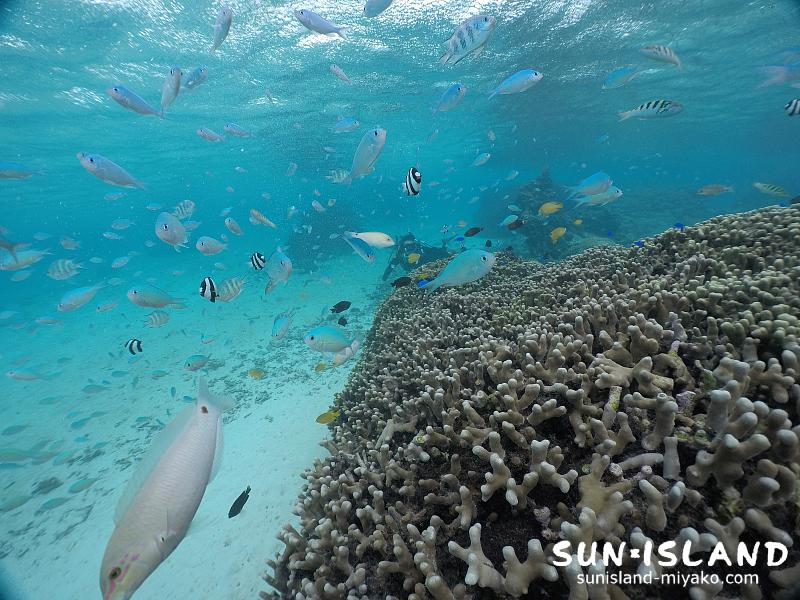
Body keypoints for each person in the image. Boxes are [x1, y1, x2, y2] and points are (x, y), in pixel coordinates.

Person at [381, 232, 451, 280]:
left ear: (415, 244)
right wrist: (385, 277)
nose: (409, 248)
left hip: (429, 269)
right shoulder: (400, 256)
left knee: (437, 254)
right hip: (417, 274)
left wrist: (448, 254)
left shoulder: (421, 250)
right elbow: (391, 266)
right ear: (402, 247)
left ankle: (445, 243)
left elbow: (437, 251)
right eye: (407, 246)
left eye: (411, 245)